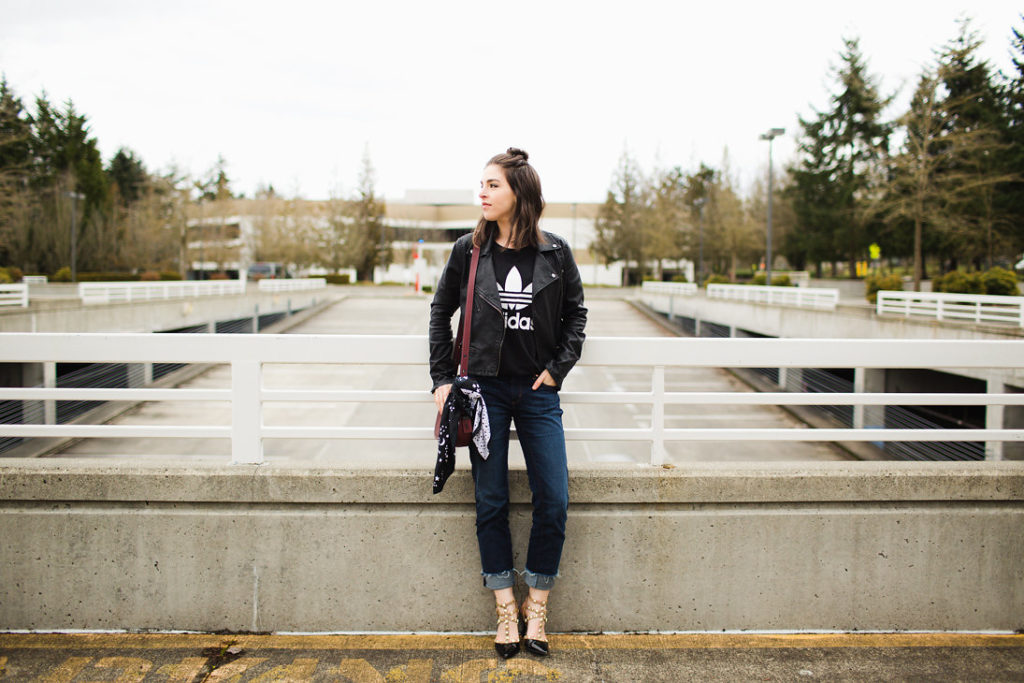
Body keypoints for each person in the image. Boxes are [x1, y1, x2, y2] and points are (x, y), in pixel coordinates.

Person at [429, 148, 587, 658]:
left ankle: (536, 605)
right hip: (484, 390)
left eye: (493, 185)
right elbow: (440, 313)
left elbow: (576, 318)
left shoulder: (555, 253)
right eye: (481, 184)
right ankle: (504, 609)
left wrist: (556, 369)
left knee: (555, 499)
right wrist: (440, 380)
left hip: (538, 392)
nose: (483, 192)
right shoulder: (468, 250)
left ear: (519, 192)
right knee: (491, 498)